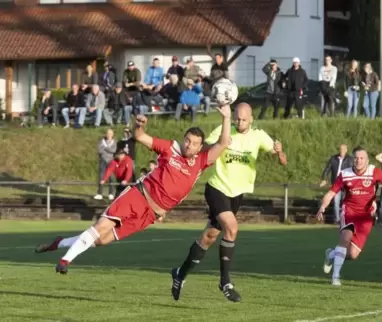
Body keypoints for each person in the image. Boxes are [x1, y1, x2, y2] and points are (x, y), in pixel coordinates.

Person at [34, 105, 233, 274]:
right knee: (101, 227)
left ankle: (58, 243)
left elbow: (223, 143)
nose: (189, 145)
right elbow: (140, 136)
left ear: (200, 147)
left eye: (195, 144)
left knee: (103, 240)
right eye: (187, 140)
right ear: (183, 139)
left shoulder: (201, 162)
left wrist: (226, 117)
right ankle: (64, 261)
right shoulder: (170, 148)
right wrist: (139, 125)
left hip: (150, 215)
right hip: (138, 196)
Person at [170, 102, 287, 302]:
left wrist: (280, 151)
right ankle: (225, 282)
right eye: (237, 118)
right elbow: (205, 148)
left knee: (208, 237)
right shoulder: (225, 130)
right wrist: (221, 142)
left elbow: (282, 160)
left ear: (251, 119)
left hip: (236, 194)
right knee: (231, 229)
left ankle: (179, 274)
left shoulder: (259, 136)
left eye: (243, 119)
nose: (240, 122)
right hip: (217, 188)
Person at [317, 146, 382, 286]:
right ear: (353, 159)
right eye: (356, 158)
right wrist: (322, 207)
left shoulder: (374, 172)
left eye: (362, 158)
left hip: (366, 217)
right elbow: (331, 193)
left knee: (352, 254)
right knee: (345, 239)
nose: (359, 160)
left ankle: (331, 254)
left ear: (367, 160)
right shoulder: (345, 174)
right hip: (349, 211)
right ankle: (335, 277)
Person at [319, 144, 354, 224]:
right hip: (336, 184)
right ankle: (337, 220)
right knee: (336, 202)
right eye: (340, 149)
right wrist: (324, 179)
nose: (341, 151)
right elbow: (327, 169)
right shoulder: (333, 158)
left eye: (343, 149)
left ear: (346, 150)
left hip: (346, 184)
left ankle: (346, 219)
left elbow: (353, 171)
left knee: (346, 203)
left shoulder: (350, 160)